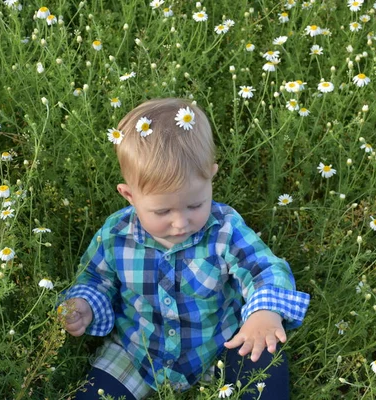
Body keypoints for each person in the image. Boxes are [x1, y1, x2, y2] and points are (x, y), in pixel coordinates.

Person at [59, 98, 310, 400]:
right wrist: (84, 305)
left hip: (218, 345)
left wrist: (264, 312)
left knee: (262, 363)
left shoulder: (224, 229)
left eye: (195, 204)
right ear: (129, 196)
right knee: (93, 395)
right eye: (162, 212)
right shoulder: (115, 235)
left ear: (211, 178)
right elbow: (95, 279)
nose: (180, 222)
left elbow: (263, 268)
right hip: (137, 351)